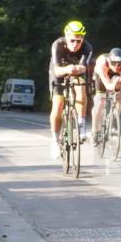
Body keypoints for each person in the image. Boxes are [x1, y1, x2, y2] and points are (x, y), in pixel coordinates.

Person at [48, 20, 93, 158]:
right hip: (59, 72)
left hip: (77, 71)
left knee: (81, 88)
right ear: (66, 37)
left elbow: (83, 67)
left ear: (83, 39)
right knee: (58, 105)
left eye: (78, 41)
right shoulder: (57, 45)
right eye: (72, 40)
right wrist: (68, 69)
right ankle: (55, 141)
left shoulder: (87, 47)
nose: (75, 44)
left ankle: (81, 125)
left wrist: (77, 69)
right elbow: (56, 70)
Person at [92, 47, 121, 143]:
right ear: (109, 61)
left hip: (116, 77)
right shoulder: (102, 64)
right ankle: (95, 131)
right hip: (102, 77)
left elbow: (120, 84)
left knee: (119, 96)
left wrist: (118, 85)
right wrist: (111, 85)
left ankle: (114, 119)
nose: (117, 66)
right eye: (114, 63)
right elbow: (107, 85)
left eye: (119, 64)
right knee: (100, 102)